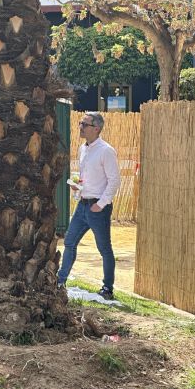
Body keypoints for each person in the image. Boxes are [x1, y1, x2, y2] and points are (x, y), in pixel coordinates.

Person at [57, 112, 121, 300]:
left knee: (104, 248)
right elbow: (85, 177)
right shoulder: (82, 149)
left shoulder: (106, 151)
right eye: (80, 123)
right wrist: (77, 188)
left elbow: (114, 180)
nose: (81, 127)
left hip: (97, 208)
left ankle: (107, 288)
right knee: (69, 242)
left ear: (96, 128)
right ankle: (60, 281)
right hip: (82, 205)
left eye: (84, 124)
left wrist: (101, 204)